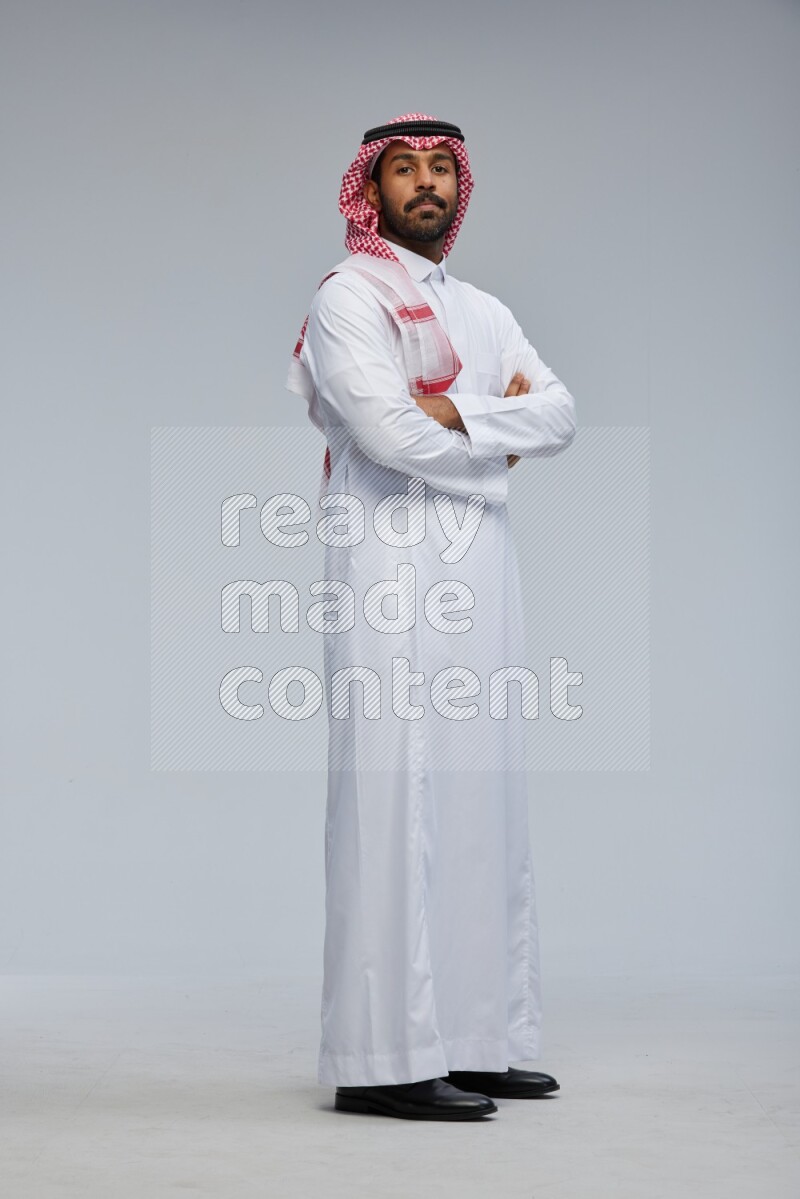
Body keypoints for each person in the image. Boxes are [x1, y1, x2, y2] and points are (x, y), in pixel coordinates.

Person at [286, 113, 576, 1121]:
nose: (423, 183)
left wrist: (460, 414)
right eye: (402, 168)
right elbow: (384, 429)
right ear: (370, 187)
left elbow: (561, 412)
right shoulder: (347, 297)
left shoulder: (486, 311)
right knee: (390, 795)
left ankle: (477, 1035)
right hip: (385, 561)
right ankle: (379, 1057)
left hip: (480, 571)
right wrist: (491, 439)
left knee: (478, 791)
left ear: (460, 186)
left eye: (439, 168)